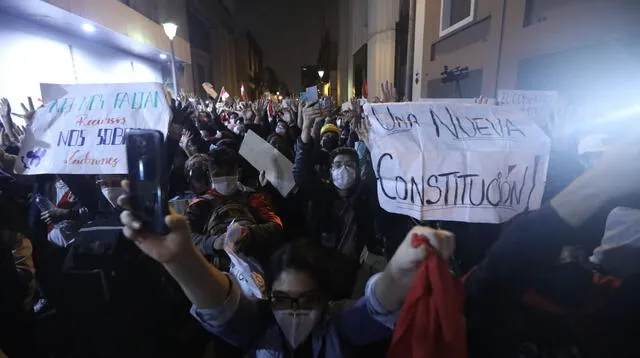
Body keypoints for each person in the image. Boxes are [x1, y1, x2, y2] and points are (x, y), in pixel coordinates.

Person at [119, 184, 456, 357]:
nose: (294, 313)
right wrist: (181, 259)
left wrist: (400, 268)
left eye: (307, 300)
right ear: (269, 297)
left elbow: (374, 308)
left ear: (325, 298)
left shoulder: (338, 329)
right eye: (283, 300)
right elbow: (223, 308)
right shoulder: (259, 327)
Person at [464, 133, 640, 357]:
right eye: (557, 247)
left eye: (576, 249)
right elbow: (506, 263)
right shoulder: (492, 307)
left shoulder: (619, 305)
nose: (570, 255)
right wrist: (599, 183)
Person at [294, 104, 378, 298]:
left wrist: (373, 147)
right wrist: (306, 129)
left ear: (358, 170)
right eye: (338, 165)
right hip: (324, 269)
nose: (344, 169)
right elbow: (301, 173)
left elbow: (381, 176)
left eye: (349, 165)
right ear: (330, 171)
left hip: (359, 270)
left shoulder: (365, 195)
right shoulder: (322, 195)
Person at [186, 147, 283, 267]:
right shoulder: (199, 205)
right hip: (219, 272)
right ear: (210, 175)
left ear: (238, 172)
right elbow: (187, 238)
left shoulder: (253, 198)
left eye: (229, 173)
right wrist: (213, 243)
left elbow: (276, 226)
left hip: (256, 267)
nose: (225, 179)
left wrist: (250, 233)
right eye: (218, 175)